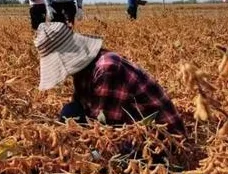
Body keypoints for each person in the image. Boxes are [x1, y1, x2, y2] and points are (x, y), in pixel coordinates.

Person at [34, 22, 186, 136]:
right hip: (133, 128)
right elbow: (82, 110)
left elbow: (104, 128)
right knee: (70, 112)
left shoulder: (107, 69)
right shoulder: (82, 72)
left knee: (112, 157)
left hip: (164, 139)